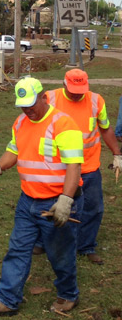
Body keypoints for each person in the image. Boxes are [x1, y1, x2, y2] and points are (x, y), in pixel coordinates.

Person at [0, 77, 84, 316]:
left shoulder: (63, 124)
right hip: (28, 200)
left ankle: (68, 294)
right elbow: (13, 151)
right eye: (23, 106)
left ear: (44, 97)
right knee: (17, 249)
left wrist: (66, 201)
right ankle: (7, 299)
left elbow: (74, 166)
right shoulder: (20, 122)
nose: (28, 110)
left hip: (56, 201)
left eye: (32, 104)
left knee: (60, 254)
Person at [39, 69, 121, 265]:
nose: (77, 93)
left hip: (89, 166)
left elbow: (105, 128)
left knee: (94, 208)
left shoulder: (96, 100)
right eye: (73, 89)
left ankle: (86, 246)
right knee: (47, 207)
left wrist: (117, 153)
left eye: (81, 90)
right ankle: (43, 242)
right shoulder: (49, 98)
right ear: (64, 84)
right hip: (59, 167)